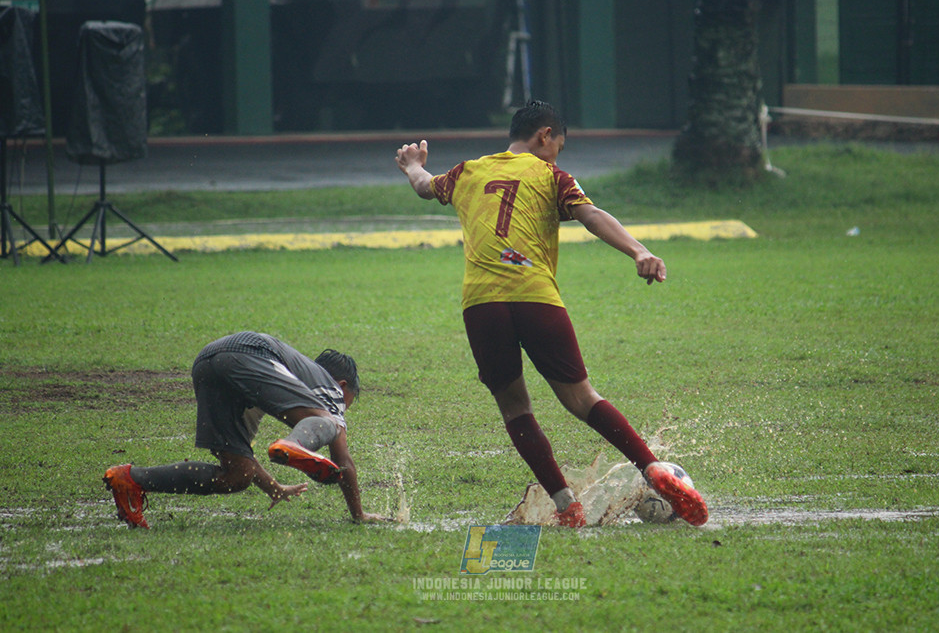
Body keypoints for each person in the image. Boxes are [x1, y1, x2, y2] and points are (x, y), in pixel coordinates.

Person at [395, 100, 708, 527]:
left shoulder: (469, 171)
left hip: (482, 304)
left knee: (514, 407)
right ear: (545, 136)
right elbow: (591, 215)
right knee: (581, 398)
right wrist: (639, 250)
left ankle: (566, 505)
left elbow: (424, 185)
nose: (557, 154)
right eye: (558, 145)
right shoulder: (551, 175)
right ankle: (652, 468)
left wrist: (412, 163)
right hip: (535, 297)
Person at [103, 331, 386, 528]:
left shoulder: (277, 380)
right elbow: (343, 460)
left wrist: (275, 488)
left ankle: (130, 479)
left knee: (236, 475)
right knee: (330, 424)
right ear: (343, 386)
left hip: (207, 361)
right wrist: (359, 514)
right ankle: (297, 443)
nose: (343, 407)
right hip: (250, 351)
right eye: (348, 403)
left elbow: (245, 459)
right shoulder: (330, 386)